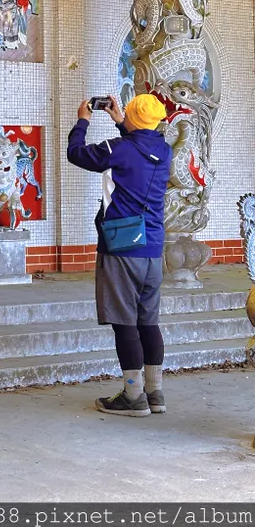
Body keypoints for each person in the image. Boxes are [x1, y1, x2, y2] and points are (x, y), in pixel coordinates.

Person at [67, 93, 172, 417]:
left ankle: (132, 396)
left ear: (131, 119)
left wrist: (83, 119)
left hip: (122, 246)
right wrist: (120, 120)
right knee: (148, 322)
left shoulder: (118, 148)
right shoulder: (164, 150)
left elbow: (76, 154)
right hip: (153, 248)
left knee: (124, 322)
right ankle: (154, 394)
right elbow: (140, 143)